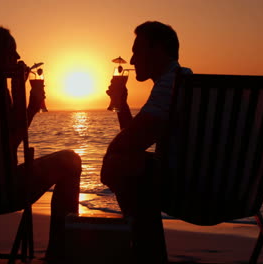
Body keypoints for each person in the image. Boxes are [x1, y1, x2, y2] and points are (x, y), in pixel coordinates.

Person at [0, 24, 82, 262]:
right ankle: (60, 253)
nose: (19, 58)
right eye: (13, 52)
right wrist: (30, 106)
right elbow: (6, 147)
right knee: (70, 161)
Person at [100, 21, 192, 262]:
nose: (131, 61)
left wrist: (110, 158)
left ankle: (147, 255)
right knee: (125, 164)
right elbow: (136, 138)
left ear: (158, 49)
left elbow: (130, 144)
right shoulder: (185, 81)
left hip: (189, 191)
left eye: (136, 51)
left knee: (119, 165)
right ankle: (147, 253)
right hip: (231, 191)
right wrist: (121, 103)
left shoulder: (171, 85)